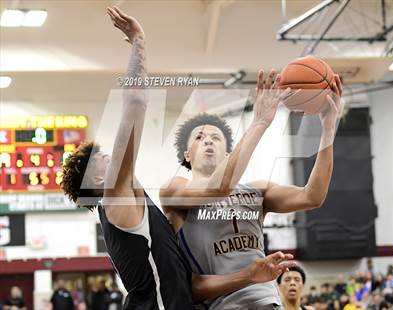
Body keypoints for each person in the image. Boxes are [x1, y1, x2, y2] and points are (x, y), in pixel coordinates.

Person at [61, 6, 296, 310]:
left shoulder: (140, 214)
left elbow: (189, 285)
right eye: (103, 157)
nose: (111, 155)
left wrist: (247, 275)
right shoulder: (115, 199)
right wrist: (138, 42)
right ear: (96, 179)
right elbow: (134, 101)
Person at [160, 66, 342, 308]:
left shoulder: (256, 192)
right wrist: (259, 122)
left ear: (228, 153)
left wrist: (328, 127)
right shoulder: (174, 190)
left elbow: (312, 196)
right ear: (187, 155)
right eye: (199, 137)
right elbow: (192, 288)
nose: (208, 141)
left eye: (215, 137)